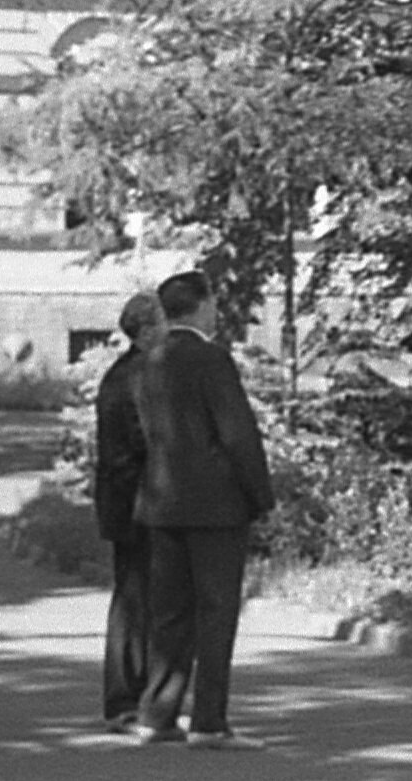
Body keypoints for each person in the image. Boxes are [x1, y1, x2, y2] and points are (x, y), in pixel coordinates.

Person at [130, 269, 275, 749]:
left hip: (162, 501)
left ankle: (157, 713)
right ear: (201, 305)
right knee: (216, 611)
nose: (216, 311)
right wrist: (261, 495)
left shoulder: (149, 360)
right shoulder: (212, 360)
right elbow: (237, 432)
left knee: (169, 612)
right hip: (215, 505)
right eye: (212, 302)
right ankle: (209, 720)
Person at [90, 291, 164, 729]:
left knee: (136, 598)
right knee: (136, 600)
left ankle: (135, 695)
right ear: (148, 329)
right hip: (135, 500)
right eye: (164, 323)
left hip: (125, 498)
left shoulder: (124, 372)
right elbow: (146, 439)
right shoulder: (138, 376)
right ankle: (126, 699)